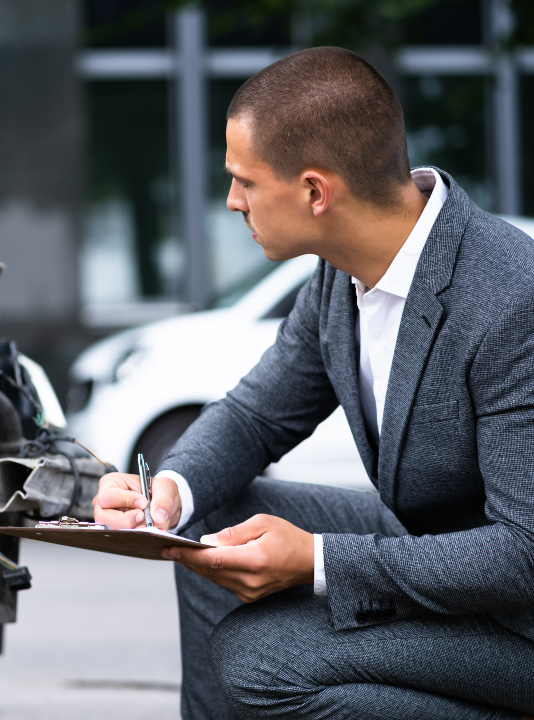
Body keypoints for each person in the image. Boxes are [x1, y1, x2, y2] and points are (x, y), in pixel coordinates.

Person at [93, 46, 534, 720]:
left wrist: (318, 560)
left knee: (261, 658)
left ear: (314, 192)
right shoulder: (338, 274)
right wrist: (166, 500)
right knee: (213, 516)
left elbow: (523, 555)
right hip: (433, 551)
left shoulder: (510, 298)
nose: (233, 201)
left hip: (520, 622)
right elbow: (254, 416)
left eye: (243, 180)